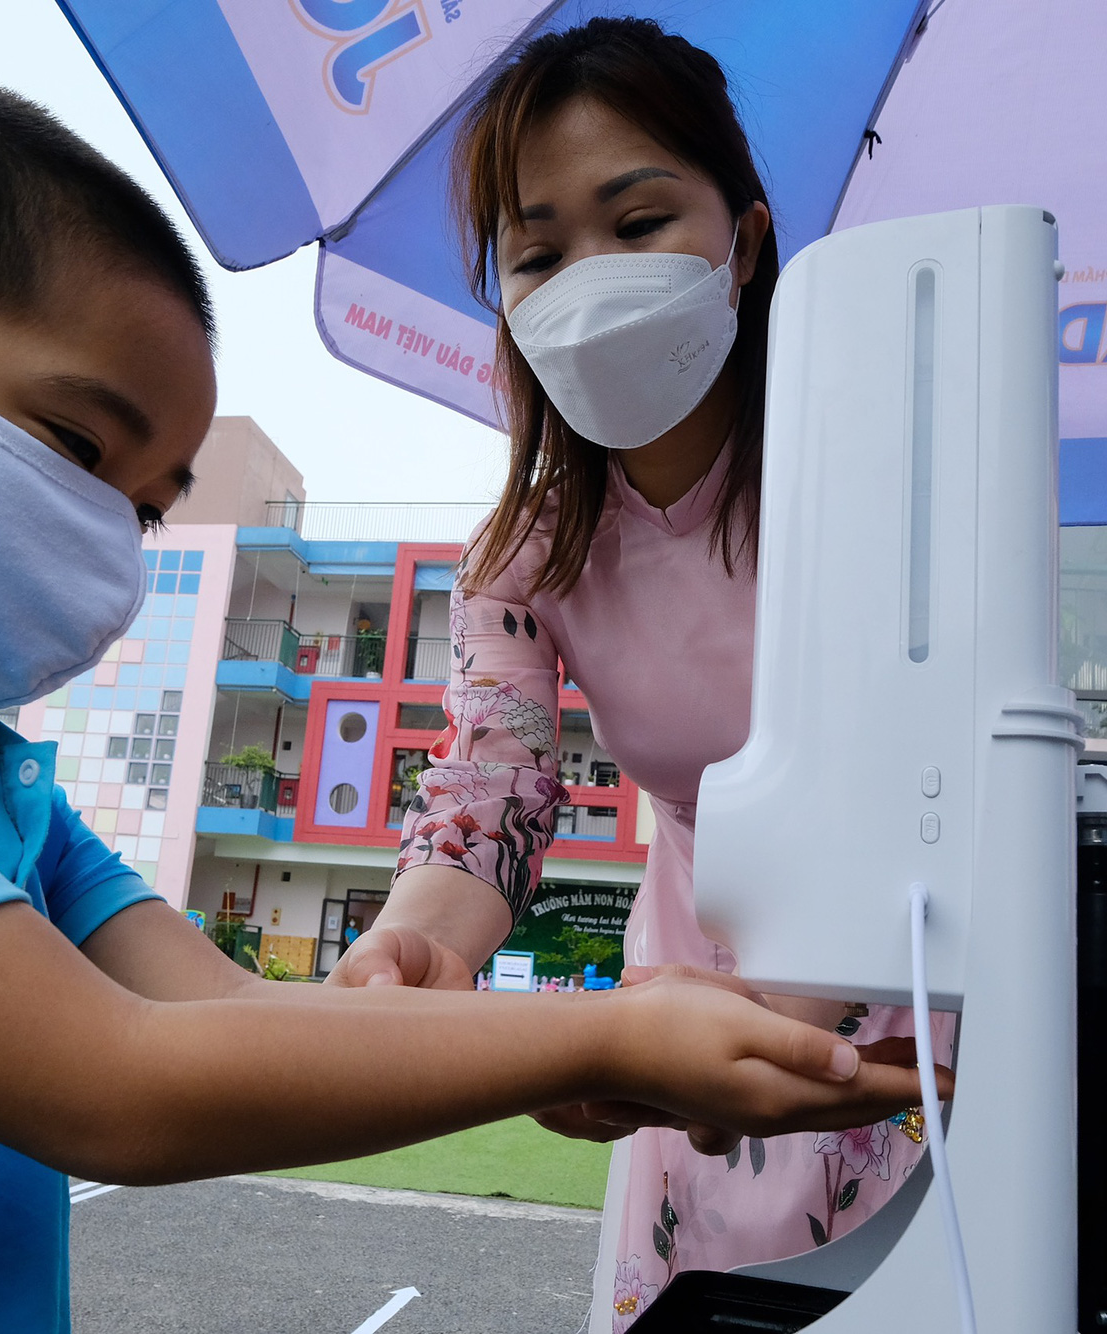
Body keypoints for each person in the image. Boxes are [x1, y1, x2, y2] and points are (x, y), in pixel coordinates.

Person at [0, 66, 940, 1334]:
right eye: (81, 450)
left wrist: (522, 1033)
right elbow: (120, 1084)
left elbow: (229, 1022)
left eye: (144, 509)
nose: (108, 552)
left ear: (740, 236)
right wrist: (577, 1027)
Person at [325, 20, 957, 1329]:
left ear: (749, 240)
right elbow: (489, 795)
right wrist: (407, 952)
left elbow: (929, 782)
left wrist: (707, 1035)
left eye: (641, 219)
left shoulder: (884, 486)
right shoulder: (523, 554)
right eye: (540, 252)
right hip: (682, 1004)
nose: (587, 279)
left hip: (910, 995)